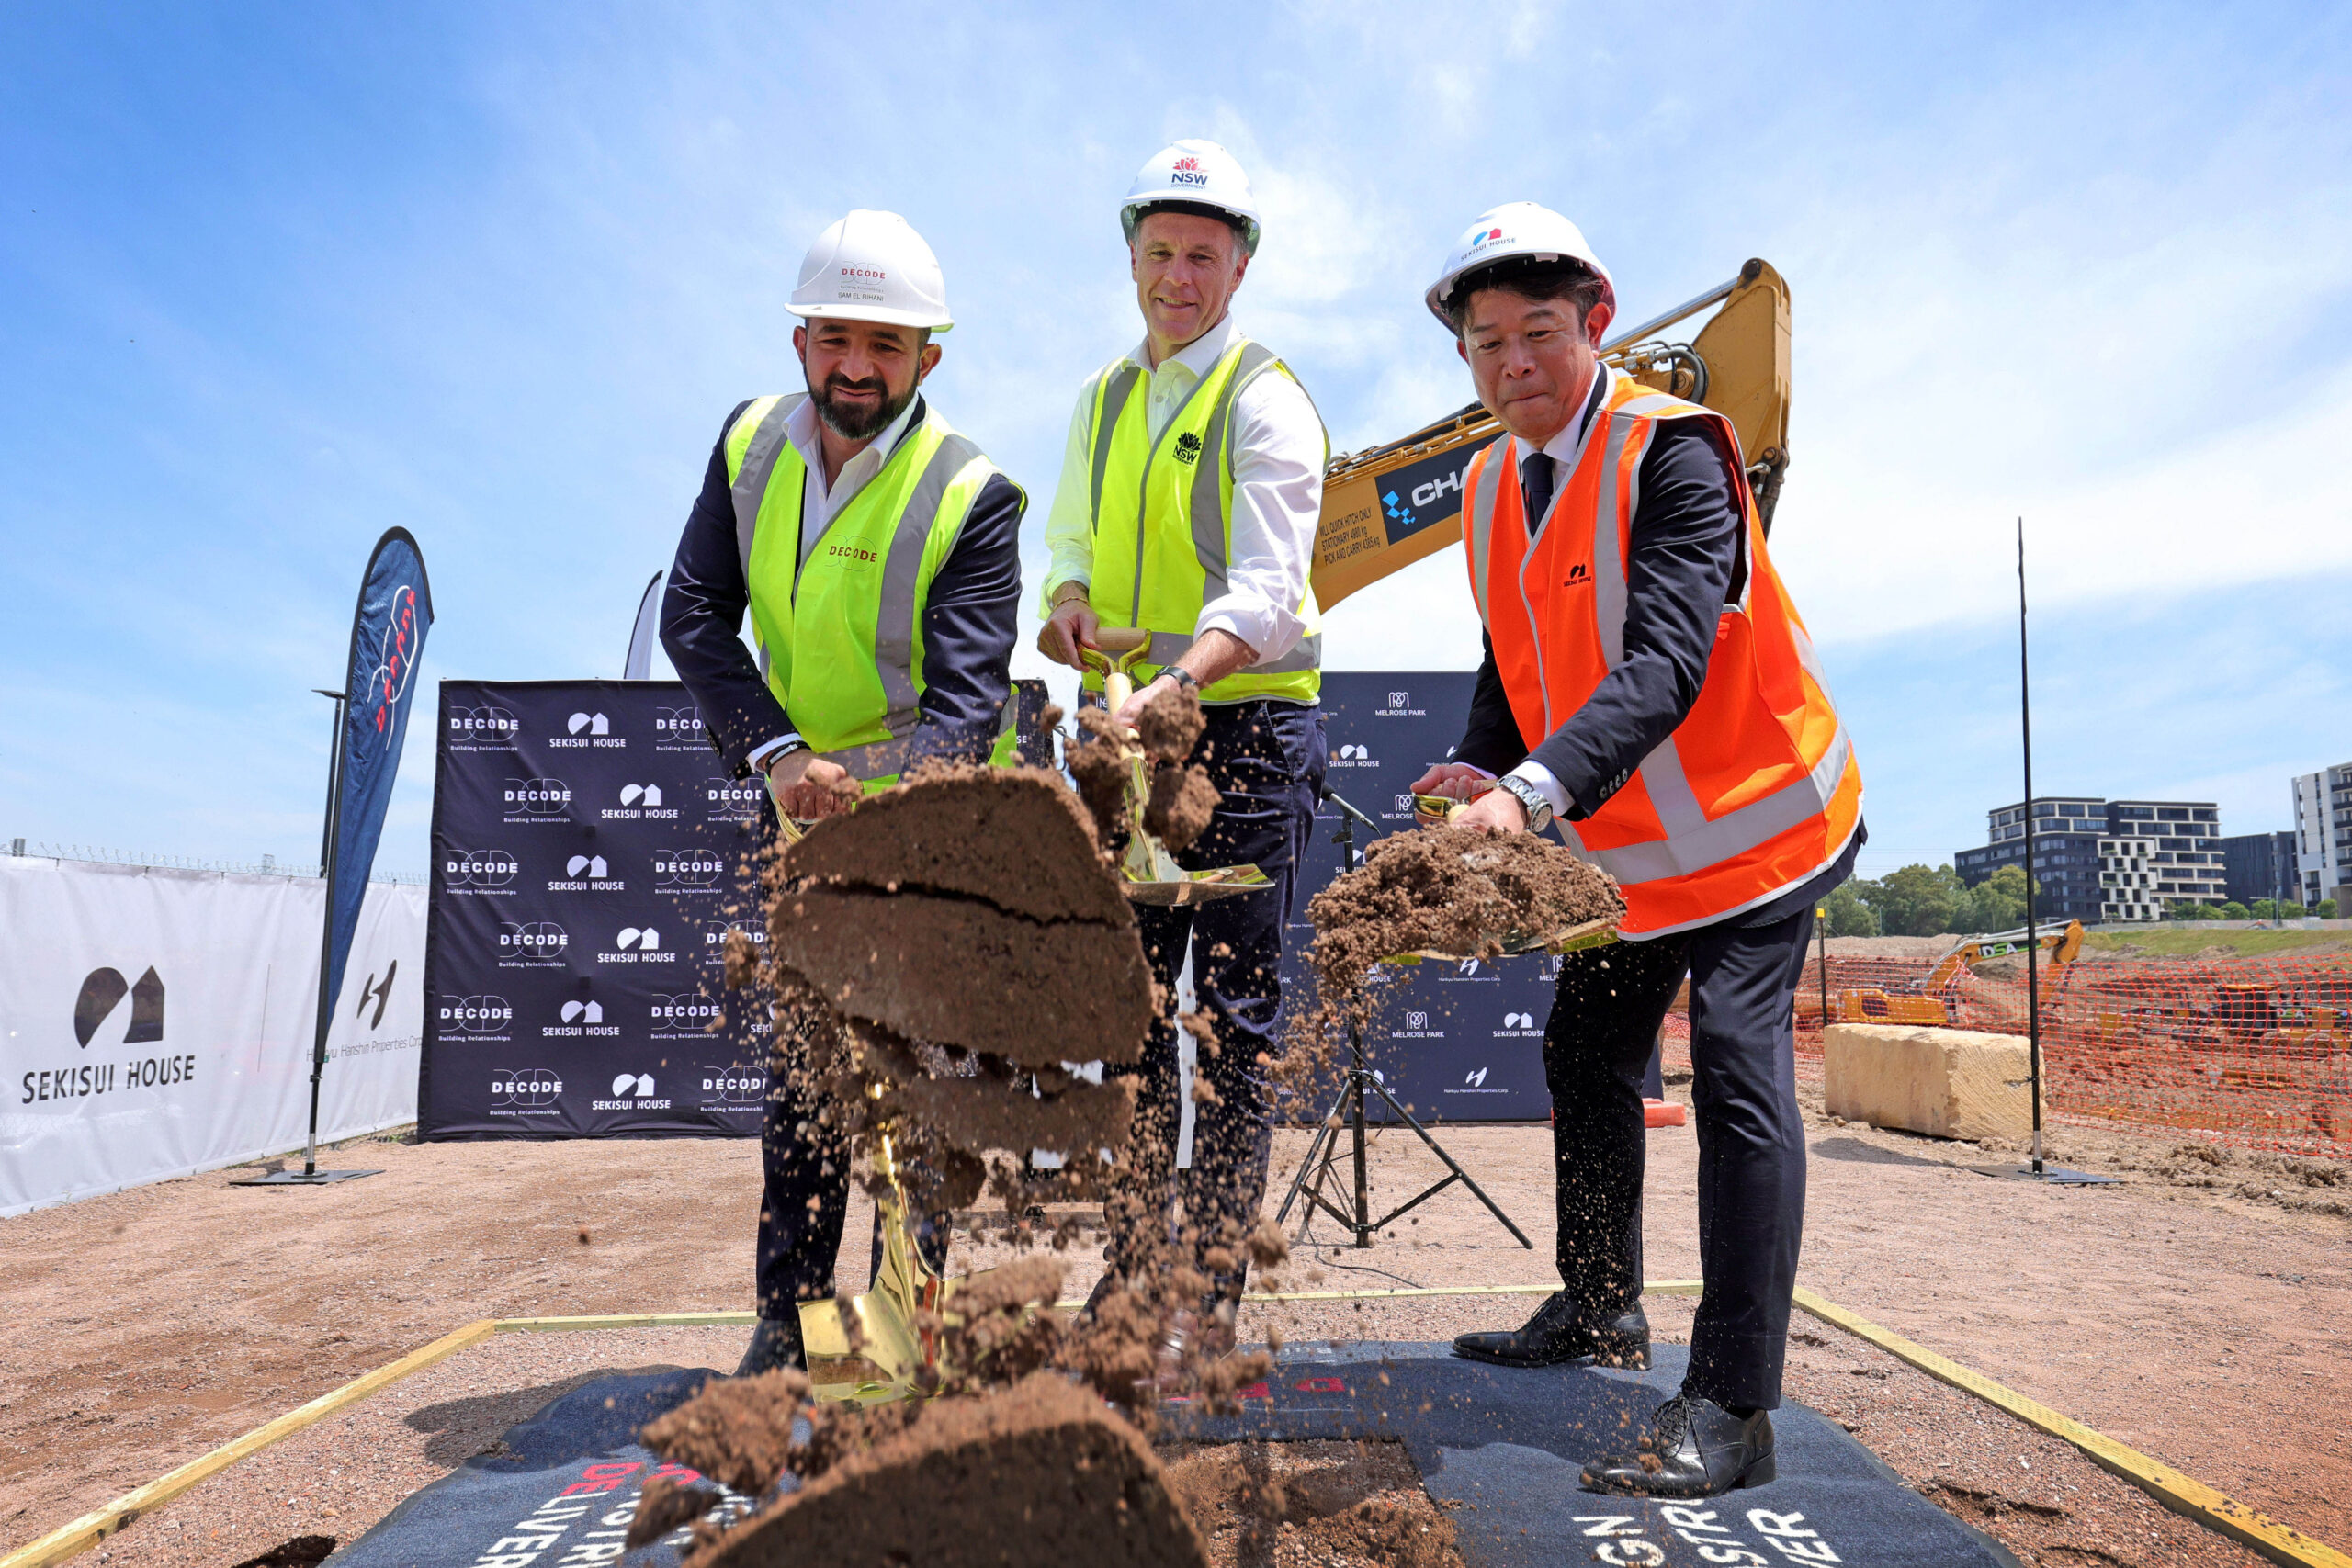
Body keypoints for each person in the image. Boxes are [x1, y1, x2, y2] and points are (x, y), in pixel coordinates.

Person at [1412, 203, 1863, 1497]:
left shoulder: (1675, 450)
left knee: (1732, 1065)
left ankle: (1733, 1402)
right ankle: (1602, 1304)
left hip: (1765, 824)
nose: (1512, 365)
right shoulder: (1493, 480)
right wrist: (1484, 758)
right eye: (1486, 343)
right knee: (1584, 1048)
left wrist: (1535, 792)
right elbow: (1514, 646)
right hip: (1640, 854)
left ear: (1597, 323)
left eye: (1537, 333)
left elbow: (1667, 655)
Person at [660, 209, 1023, 1376]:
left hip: (930, 831)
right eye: (834, 338)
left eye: (887, 344)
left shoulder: (975, 494)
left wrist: (887, 823)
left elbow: (967, 705)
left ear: (929, 357)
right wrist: (776, 756)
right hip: (791, 805)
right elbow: (695, 617)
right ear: (801, 338)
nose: (855, 368)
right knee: (810, 1086)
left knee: (916, 1098)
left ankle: (901, 1338)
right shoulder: (748, 443)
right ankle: (794, 1332)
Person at [1035, 140, 1329, 1337]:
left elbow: (1267, 592)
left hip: (1245, 731)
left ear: (1239, 266)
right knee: (1138, 1016)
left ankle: (1210, 1276)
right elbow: (1069, 543)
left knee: (1239, 1016)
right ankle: (1137, 1262)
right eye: (1159, 253)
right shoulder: (1103, 400)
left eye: (1202, 255)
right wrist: (1065, 604)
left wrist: (1172, 685)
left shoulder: (1265, 396)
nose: (1178, 276)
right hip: (1132, 740)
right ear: (1134, 259)